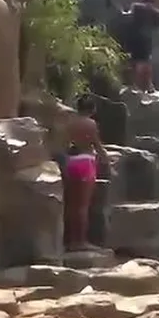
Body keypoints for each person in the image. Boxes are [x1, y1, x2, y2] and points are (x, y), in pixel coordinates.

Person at [63, 95, 112, 251]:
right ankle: (81, 242)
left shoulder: (70, 123)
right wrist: (108, 163)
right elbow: (97, 146)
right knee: (83, 206)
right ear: (93, 109)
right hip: (86, 162)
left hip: (71, 162)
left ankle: (71, 240)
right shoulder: (90, 124)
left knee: (72, 204)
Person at [118, 0, 159, 92]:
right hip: (146, 41)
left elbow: (127, 16)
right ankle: (148, 86)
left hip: (134, 39)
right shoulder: (156, 12)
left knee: (134, 63)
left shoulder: (136, 7)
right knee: (145, 62)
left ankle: (136, 86)